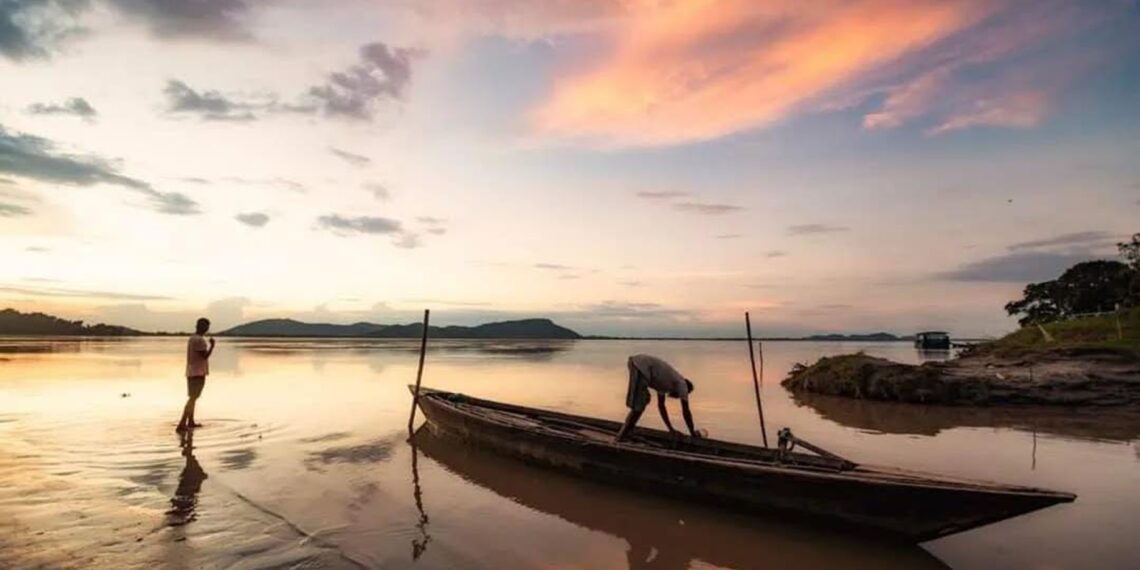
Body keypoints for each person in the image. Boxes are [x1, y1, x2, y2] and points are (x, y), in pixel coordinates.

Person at [615, 354, 700, 442]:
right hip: (641, 366)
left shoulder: (665, 384)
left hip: (640, 365)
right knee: (638, 406)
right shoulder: (682, 385)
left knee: (644, 400)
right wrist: (692, 432)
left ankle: (629, 431)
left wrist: (670, 429)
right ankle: (621, 437)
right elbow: (686, 411)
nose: (678, 397)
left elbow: (661, 406)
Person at [176, 318, 215, 433]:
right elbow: (205, 356)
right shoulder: (200, 340)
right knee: (192, 398)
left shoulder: (192, 338)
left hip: (192, 372)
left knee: (193, 398)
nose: (207, 329)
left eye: (207, 326)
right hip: (197, 373)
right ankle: (182, 423)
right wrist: (212, 346)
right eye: (205, 326)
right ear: (199, 326)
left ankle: (190, 422)